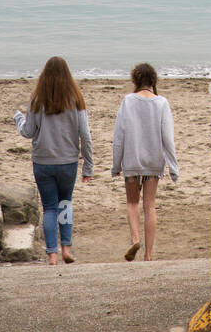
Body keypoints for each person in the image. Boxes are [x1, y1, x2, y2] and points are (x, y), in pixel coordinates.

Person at [14, 56, 93, 266]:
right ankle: (66, 247)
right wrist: (88, 165)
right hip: (67, 162)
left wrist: (18, 118)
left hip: (42, 161)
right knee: (65, 203)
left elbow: (28, 132)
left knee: (49, 207)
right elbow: (85, 135)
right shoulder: (76, 100)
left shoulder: (37, 99)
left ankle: (52, 254)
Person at [111, 63, 178, 261]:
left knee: (132, 203)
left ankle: (135, 240)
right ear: (153, 81)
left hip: (132, 160)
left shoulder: (128, 101)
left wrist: (116, 165)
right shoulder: (161, 103)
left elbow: (119, 136)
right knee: (150, 206)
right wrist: (173, 168)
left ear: (135, 80)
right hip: (154, 161)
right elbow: (168, 137)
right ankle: (148, 255)